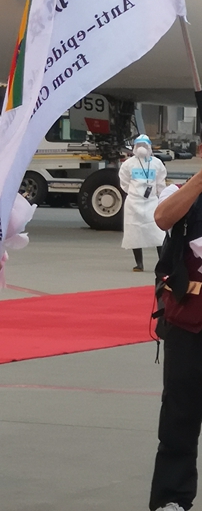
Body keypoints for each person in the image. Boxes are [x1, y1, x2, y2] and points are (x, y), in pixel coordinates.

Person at [148, 168, 202, 511]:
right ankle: (172, 497)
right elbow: (162, 218)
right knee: (179, 412)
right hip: (189, 319)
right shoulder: (183, 193)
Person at [119, 134, 166, 271]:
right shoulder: (128, 164)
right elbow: (124, 182)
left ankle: (163, 262)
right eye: (139, 145)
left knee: (158, 232)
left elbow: (160, 182)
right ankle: (139, 264)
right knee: (135, 232)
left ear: (149, 147)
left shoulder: (157, 163)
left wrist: (160, 196)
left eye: (144, 145)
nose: (141, 148)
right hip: (133, 203)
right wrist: (134, 193)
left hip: (152, 202)